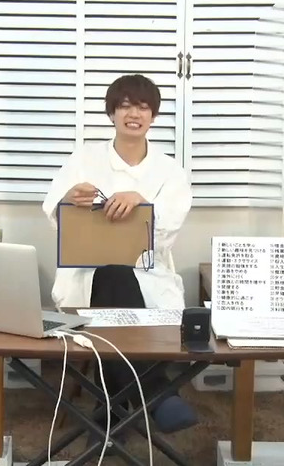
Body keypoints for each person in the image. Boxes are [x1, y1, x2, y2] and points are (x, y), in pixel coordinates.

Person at [41, 74, 197, 443]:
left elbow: (168, 232)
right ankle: (156, 392)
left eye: (142, 107)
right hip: (85, 274)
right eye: (125, 106)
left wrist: (142, 204)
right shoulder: (83, 160)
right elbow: (54, 215)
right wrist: (68, 200)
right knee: (110, 274)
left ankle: (108, 412)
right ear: (112, 113)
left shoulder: (170, 171)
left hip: (149, 275)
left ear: (153, 115)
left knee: (118, 276)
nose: (133, 114)